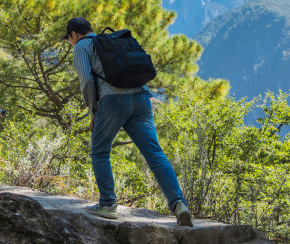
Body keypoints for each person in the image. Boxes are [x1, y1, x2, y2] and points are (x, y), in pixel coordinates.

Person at [64, 17, 193, 226]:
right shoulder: (111, 41)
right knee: (154, 153)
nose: (70, 42)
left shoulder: (81, 47)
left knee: (99, 151)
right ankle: (179, 204)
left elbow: (87, 81)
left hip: (113, 101)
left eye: (69, 39)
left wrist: (93, 111)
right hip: (141, 97)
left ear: (74, 35)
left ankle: (107, 204)